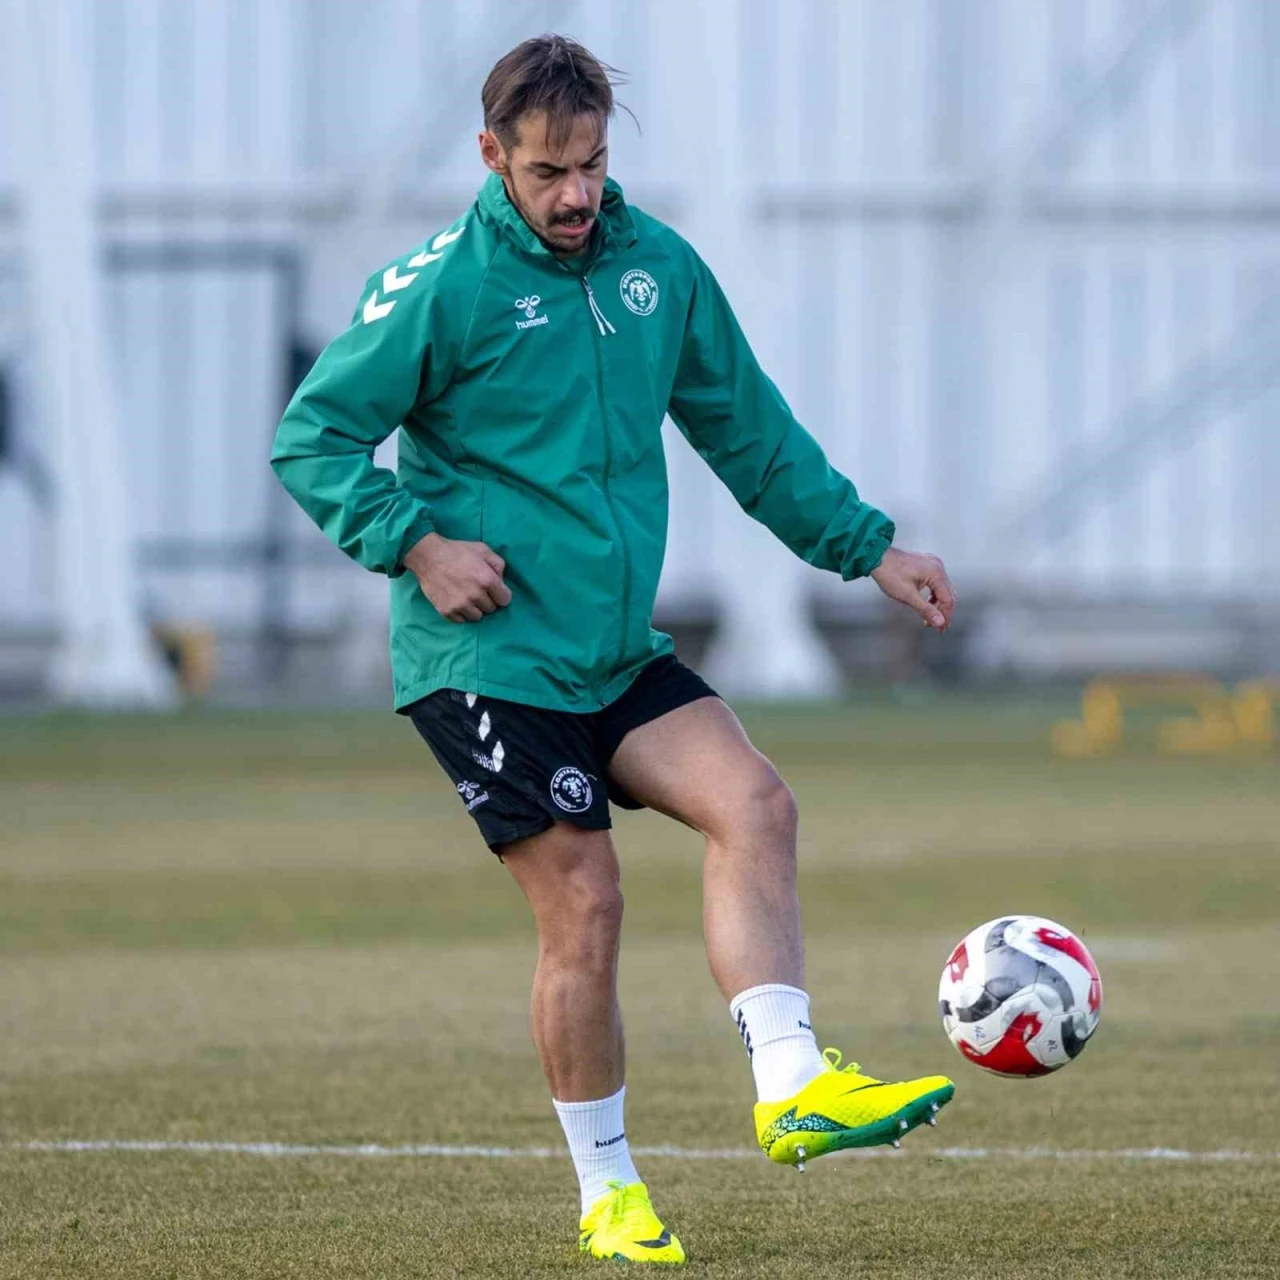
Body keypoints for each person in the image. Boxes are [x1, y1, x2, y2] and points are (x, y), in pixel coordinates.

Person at [271, 33, 958, 1267]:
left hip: (608, 647)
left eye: (589, 164)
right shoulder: (440, 286)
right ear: (491, 157)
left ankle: (792, 1083)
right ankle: (609, 1191)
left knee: (755, 802)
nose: (575, 193)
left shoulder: (657, 269)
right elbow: (311, 437)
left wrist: (869, 549)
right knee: (586, 900)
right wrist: (415, 542)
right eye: (547, 172)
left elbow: (749, 434)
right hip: (485, 658)